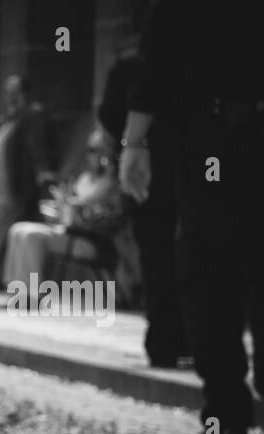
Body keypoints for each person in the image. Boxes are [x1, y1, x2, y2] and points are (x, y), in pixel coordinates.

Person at [120, 0, 264, 434]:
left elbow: (161, 50)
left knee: (210, 276)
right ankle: (225, 421)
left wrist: (136, 140)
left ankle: (225, 423)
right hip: (220, 127)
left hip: (217, 131)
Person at [99, 40, 187, 368]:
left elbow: (108, 116)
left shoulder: (130, 64)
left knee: (157, 258)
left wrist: (129, 145)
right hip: (195, 166)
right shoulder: (196, 55)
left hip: (147, 175)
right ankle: (194, 338)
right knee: (200, 255)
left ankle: (164, 341)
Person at [2, 129, 123, 287]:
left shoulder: (110, 181)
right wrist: (61, 205)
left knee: (31, 236)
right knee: (18, 229)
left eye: (100, 150)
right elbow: (70, 208)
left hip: (90, 240)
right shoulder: (84, 178)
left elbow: (90, 205)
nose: (95, 155)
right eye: (91, 150)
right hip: (68, 231)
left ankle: (31, 294)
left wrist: (73, 203)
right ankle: (15, 290)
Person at [0, 75, 54, 286]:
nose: (11, 98)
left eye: (15, 93)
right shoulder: (9, 119)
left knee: (0, 231)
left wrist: (43, 173)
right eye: (8, 93)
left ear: (26, 94)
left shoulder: (32, 115)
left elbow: (37, 147)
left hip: (15, 191)